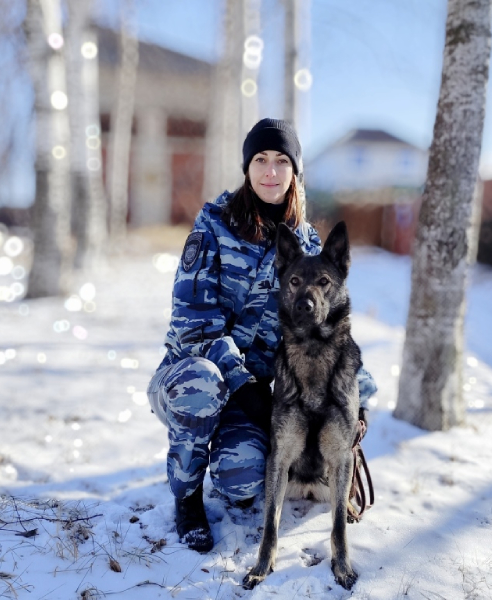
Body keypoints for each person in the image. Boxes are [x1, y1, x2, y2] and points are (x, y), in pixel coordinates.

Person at [147, 118, 377, 553]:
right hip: (191, 377)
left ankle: (222, 454)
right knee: (203, 385)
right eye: (260, 160)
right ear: (247, 168)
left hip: (252, 395)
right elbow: (193, 324)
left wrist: (357, 397)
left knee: (244, 480)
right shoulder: (213, 227)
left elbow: (328, 328)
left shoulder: (305, 244)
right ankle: (187, 498)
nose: (270, 171)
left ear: (295, 172)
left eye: (281, 161)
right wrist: (245, 386)